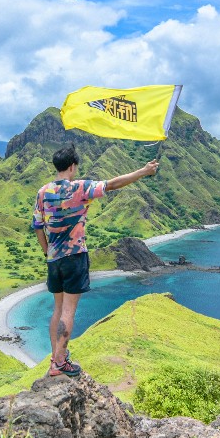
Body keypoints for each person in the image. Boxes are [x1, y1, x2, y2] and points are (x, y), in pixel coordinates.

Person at [31, 144, 159, 377]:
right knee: (69, 311)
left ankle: (55, 359)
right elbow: (113, 184)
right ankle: (60, 362)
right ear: (72, 166)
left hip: (53, 259)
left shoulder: (42, 192)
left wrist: (47, 251)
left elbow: (38, 226)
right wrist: (144, 171)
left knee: (57, 309)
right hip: (75, 256)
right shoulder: (80, 187)